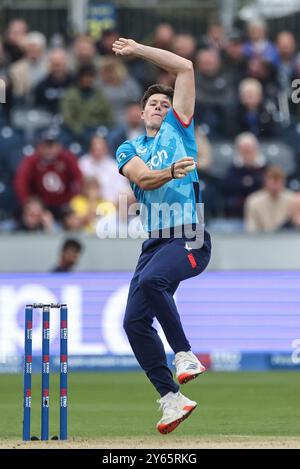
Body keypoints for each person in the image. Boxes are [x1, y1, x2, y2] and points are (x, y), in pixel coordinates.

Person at [112, 37, 211, 434]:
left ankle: (185, 354)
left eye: (166, 104)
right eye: (153, 103)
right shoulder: (128, 147)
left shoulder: (180, 131)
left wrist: (138, 49)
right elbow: (142, 179)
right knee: (134, 323)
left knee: (154, 282)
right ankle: (172, 399)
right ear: (140, 112)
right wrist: (170, 172)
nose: (160, 106)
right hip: (154, 242)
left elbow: (185, 65)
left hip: (190, 235)